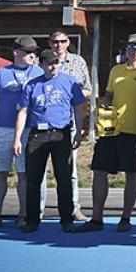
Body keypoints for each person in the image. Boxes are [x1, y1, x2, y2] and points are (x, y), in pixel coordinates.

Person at [78, 33, 136, 232]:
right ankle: (96, 219)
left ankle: (126, 218)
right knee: (99, 171)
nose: (132, 50)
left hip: (134, 130)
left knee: (131, 173)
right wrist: (104, 106)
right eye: (129, 46)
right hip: (111, 130)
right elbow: (109, 95)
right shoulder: (116, 70)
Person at [14, 49, 88, 232]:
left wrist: (79, 132)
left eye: (56, 62)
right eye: (49, 63)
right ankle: (32, 220)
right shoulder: (32, 85)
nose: (54, 66)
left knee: (64, 177)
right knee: (33, 179)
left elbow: (79, 108)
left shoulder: (69, 82)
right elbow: (23, 111)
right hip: (37, 135)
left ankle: (67, 219)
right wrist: (17, 138)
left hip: (60, 134)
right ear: (41, 65)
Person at [0, 36, 42, 228]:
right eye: (27, 52)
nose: (32, 55)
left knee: (24, 174)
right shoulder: (0, 74)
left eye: (34, 52)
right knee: (0, 173)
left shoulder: (40, 72)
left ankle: (23, 215)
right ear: (16, 52)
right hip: (2, 129)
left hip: (29, 130)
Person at [40, 30, 91, 222]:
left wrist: (67, 96)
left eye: (62, 41)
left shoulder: (78, 62)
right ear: (49, 42)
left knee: (70, 170)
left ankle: (73, 208)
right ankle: (38, 210)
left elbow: (88, 89)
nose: (59, 45)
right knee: (40, 171)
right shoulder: (42, 61)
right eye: (55, 41)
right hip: (44, 123)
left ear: (68, 42)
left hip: (68, 122)